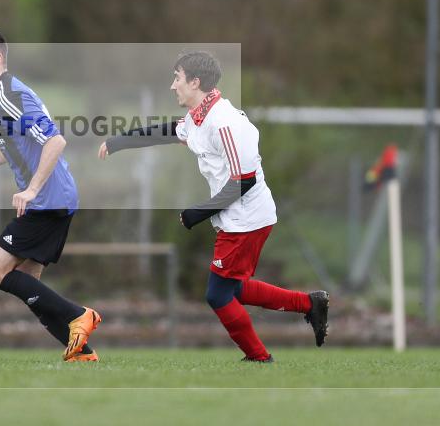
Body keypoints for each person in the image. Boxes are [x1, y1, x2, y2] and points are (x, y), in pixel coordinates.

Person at [98, 50, 328, 362]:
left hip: (247, 219)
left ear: (195, 82)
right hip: (236, 217)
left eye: (177, 78)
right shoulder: (199, 118)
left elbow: (243, 181)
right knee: (234, 289)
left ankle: (259, 358)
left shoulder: (225, 123)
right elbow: (166, 131)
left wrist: (198, 212)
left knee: (217, 294)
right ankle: (309, 304)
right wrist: (119, 142)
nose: (172, 85)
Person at [0, 28, 101, 362]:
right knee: (30, 285)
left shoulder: (9, 97)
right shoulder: (1, 98)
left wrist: (31, 189)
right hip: (54, 199)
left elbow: (56, 141)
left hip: (47, 200)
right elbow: (10, 148)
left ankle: (80, 315)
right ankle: (81, 352)